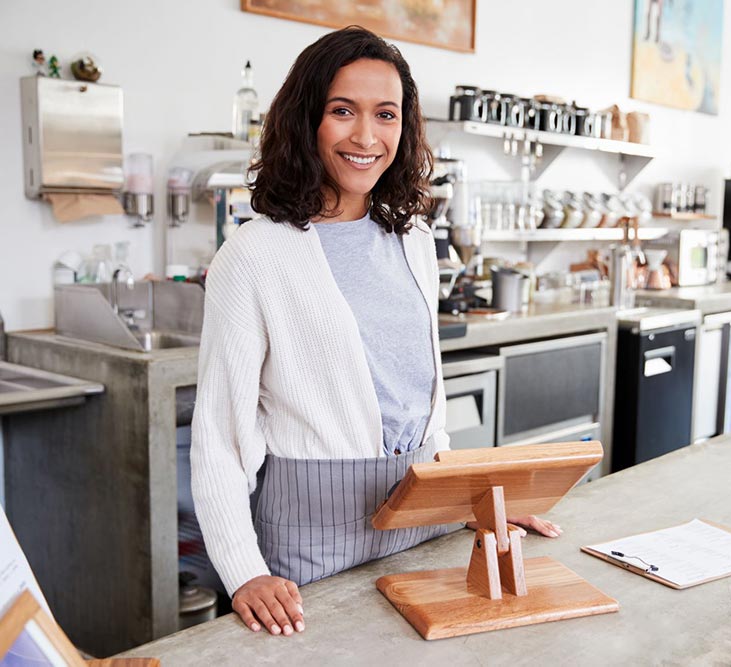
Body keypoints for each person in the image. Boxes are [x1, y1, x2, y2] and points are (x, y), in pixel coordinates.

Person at [190, 26, 562, 639]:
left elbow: (421, 404)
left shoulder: (412, 238)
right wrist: (243, 571)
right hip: (313, 545)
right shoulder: (254, 256)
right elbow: (220, 438)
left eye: (385, 115)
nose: (366, 137)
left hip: (423, 524)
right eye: (343, 111)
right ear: (306, 119)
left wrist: (469, 498)